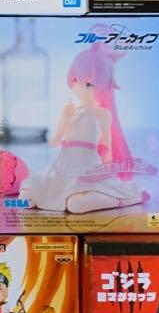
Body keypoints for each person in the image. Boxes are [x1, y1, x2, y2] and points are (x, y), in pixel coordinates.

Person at [20, 38, 148, 214]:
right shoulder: (70, 110)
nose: (79, 86)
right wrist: (66, 118)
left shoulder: (102, 114)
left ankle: (123, 198)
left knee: (75, 204)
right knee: (32, 189)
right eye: (75, 79)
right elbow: (54, 142)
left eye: (88, 83)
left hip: (88, 167)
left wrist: (105, 173)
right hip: (63, 165)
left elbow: (106, 148)